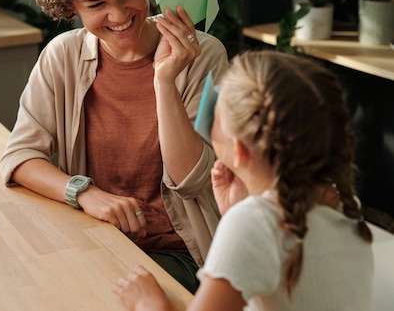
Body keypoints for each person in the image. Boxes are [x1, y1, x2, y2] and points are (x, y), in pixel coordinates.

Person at [0, 0, 228, 293]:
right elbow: (20, 158)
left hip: (179, 251)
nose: (119, 14)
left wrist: (164, 81)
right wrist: (84, 192)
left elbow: (193, 180)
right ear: (70, 5)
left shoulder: (203, 55)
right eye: (95, 4)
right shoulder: (62, 57)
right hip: (95, 237)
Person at [112, 50, 375, 311]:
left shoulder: (254, 222)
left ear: (238, 150)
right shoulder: (343, 201)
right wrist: (235, 213)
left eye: (216, 111)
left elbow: (260, 236)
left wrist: (150, 304)